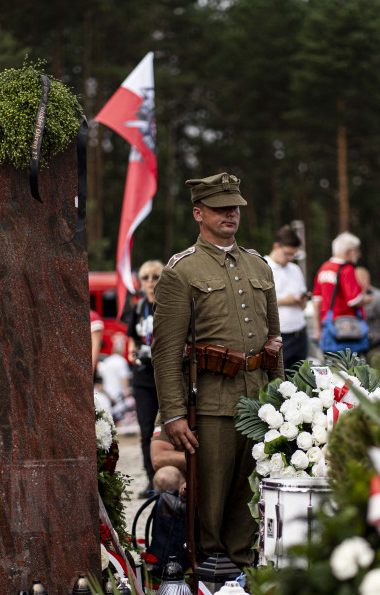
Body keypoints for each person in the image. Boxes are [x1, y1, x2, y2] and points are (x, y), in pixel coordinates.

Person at [151, 171, 284, 568]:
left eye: (235, 207)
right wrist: (173, 413)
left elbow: (275, 343)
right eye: (220, 207)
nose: (230, 213)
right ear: (198, 213)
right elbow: (166, 352)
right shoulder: (182, 271)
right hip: (211, 406)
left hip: (259, 405)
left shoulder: (260, 266)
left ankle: (241, 576)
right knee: (208, 510)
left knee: (249, 502)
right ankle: (208, 580)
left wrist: (280, 401)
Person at [124, 259, 164, 492]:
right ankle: (152, 480)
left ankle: (171, 477)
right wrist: (133, 353)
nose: (150, 282)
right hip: (142, 377)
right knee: (146, 429)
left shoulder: (169, 305)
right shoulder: (138, 308)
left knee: (169, 428)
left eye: (156, 277)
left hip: (165, 375)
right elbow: (131, 338)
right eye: (146, 278)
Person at [312, 232, 372, 352]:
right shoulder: (346, 268)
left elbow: (316, 302)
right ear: (348, 252)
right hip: (348, 329)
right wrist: (367, 299)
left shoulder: (324, 268)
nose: (358, 255)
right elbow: (353, 300)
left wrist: (318, 330)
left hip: (328, 327)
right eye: (356, 251)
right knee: (351, 367)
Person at [265, 226, 309, 370]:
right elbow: (257, 302)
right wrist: (285, 300)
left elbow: (303, 305)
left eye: (294, 255)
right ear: (276, 246)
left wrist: (302, 301)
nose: (290, 259)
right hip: (278, 336)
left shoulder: (295, 269)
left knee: (301, 382)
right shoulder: (263, 267)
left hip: (300, 334)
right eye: (287, 254)